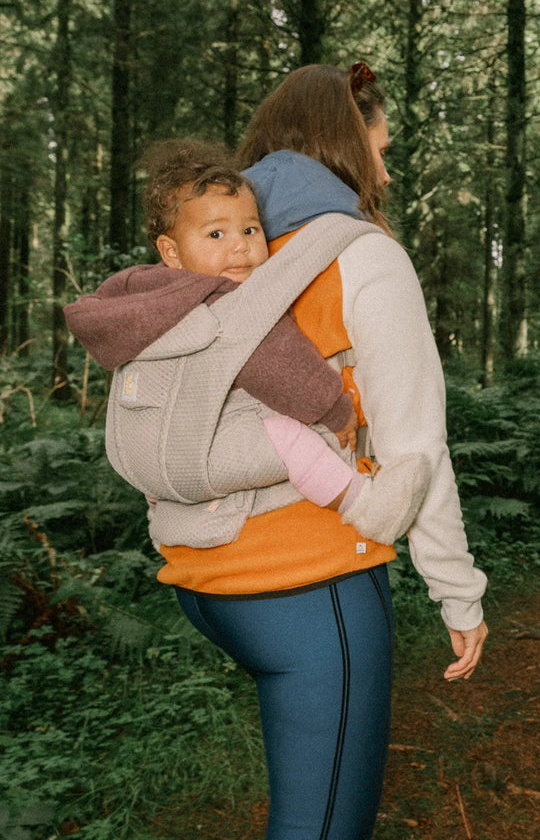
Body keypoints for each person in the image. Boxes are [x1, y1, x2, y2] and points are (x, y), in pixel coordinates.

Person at [153, 61, 487, 840]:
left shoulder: (219, 247)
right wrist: (458, 591)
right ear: (344, 142)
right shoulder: (360, 256)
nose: (386, 165)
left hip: (203, 577)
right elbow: (414, 448)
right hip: (310, 588)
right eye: (380, 144)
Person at [64, 140, 425, 546]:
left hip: (150, 458)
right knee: (295, 439)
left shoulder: (145, 298)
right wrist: (334, 408)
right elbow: (278, 363)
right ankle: (368, 508)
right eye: (216, 233)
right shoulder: (226, 300)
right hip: (208, 454)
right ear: (171, 251)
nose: (240, 245)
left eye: (250, 229)